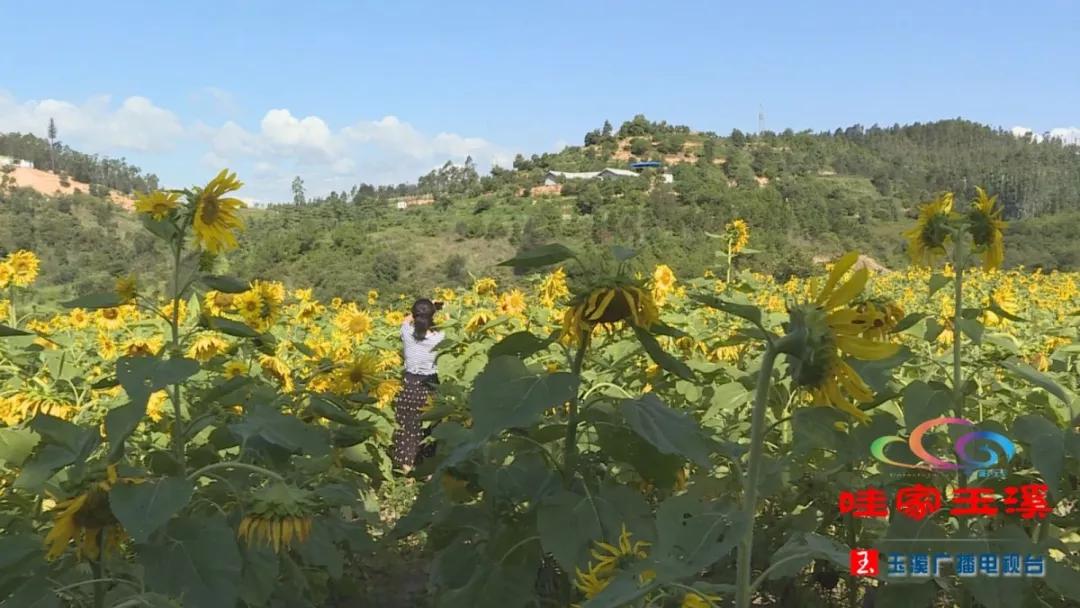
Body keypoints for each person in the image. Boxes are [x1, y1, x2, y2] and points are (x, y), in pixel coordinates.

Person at [391, 298, 443, 473]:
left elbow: (405, 320)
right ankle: (427, 473)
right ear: (432, 317)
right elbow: (447, 325)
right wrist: (436, 308)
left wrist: (419, 313)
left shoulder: (406, 333)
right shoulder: (439, 338)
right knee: (429, 431)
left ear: (414, 315)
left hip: (409, 386)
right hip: (430, 388)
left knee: (407, 429)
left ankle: (407, 473)